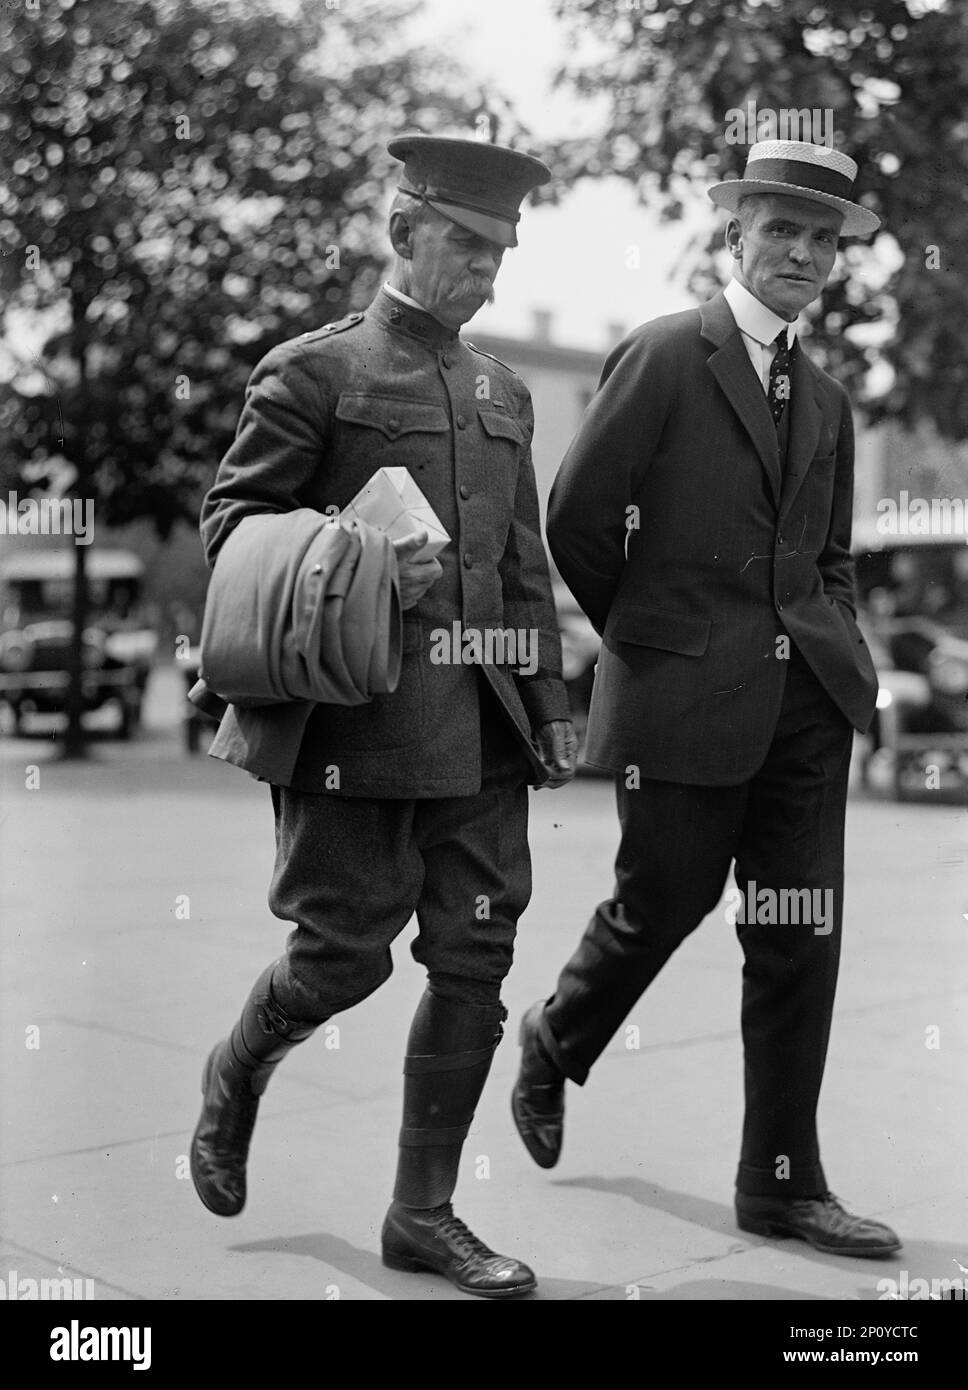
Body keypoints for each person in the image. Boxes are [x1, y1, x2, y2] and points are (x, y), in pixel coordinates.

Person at [191, 133, 577, 1299]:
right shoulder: (312, 373)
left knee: (474, 956)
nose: (485, 272)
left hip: (485, 724)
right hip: (355, 724)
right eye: (465, 244)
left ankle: (423, 1216)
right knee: (340, 957)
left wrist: (549, 705)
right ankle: (236, 1066)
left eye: (500, 252)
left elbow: (522, 562)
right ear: (400, 230)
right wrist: (349, 561)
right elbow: (231, 530)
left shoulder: (502, 390)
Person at [512, 139, 901, 1258]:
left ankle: (780, 1183)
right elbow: (579, 516)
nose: (802, 253)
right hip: (682, 703)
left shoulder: (823, 399)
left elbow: (829, 558)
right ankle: (552, 1036)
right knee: (658, 907)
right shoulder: (666, 353)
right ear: (734, 235)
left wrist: (841, 658)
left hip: (805, 713)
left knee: (795, 940)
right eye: (781, 228)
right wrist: (655, 640)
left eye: (823, 239)